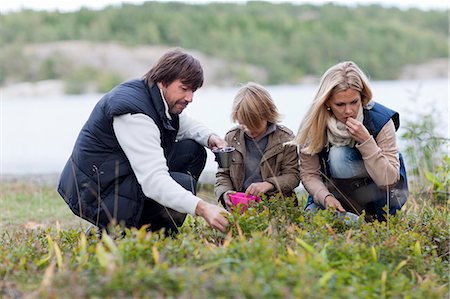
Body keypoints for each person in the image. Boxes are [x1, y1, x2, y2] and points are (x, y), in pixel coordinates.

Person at [58, 48, 229, 235]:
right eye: (184, 88)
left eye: (193, 90)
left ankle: (158, 222)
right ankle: (123, 228)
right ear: (164, 81)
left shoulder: (155, 96)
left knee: (193, 150)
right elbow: (153, 181)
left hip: (116, 176)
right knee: (182, 183)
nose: (190, 98)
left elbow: (185, 124)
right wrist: (203, 208)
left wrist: (211, 138)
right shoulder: (134, 115)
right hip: (94, 194)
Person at [293, 61, 408, 221]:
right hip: (333, 198)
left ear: (362, 97)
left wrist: (366, 141)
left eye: (354, 102)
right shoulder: (314, 124)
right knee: (312, 219)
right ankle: (350, 219)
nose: (349, 111)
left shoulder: (381, 120)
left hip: (378, 198)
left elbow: (388, 181)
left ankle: (366, 219)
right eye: (340, 104)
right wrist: (325, 198)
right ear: (327, 102)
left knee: (339, 155)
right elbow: (309, 174)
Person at [214, 82, 300, 209]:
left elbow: (293, 176)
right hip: (240, 206)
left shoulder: (285, 139)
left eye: (254, 125)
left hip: (277, 206)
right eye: (243, 124)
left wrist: (268, 185)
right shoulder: (232, 138)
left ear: (268, 115)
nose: (248, 130)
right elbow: (223, 174)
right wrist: (225, 193)